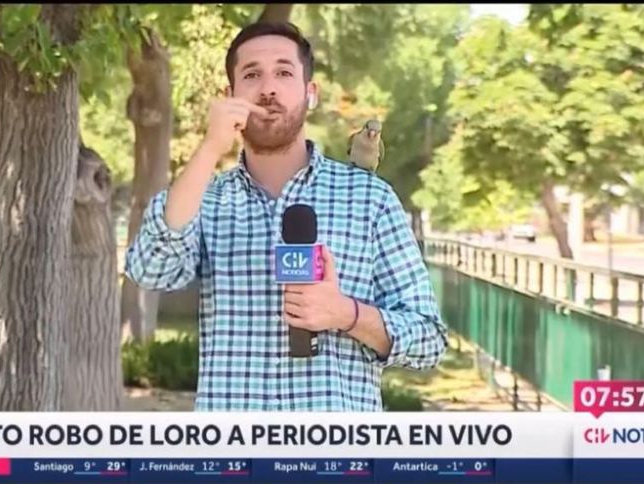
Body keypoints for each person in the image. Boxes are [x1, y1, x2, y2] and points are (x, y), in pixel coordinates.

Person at [125, 21, 447, 411]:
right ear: (229, 96)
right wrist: (209, 148)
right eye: (251, 75)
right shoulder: (204, 200)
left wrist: (346, 314)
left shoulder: (370, 199)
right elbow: (149, 270)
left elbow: (429, 340)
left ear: (311, 93)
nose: (268, 89)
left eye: (283, 73)